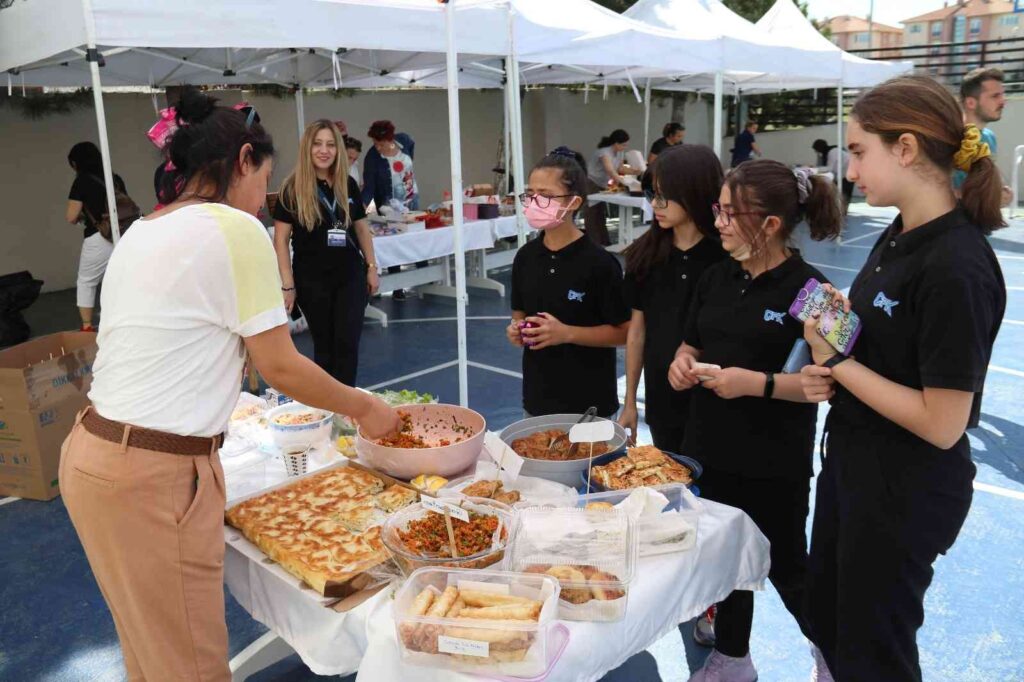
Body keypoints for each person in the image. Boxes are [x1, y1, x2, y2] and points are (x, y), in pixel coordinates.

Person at [59, 89, 400, 682]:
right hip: (152, 471)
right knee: (189, 664)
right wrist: (365, 408)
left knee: (151, 650)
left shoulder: (144, 227)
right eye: (263, 180)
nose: (263, 200)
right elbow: (281, 366)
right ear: (244, 159)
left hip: (95, 454)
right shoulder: (235, 228)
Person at [799, 75, 1006, 682]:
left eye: (860, 151)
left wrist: (839, 363)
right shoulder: (899, 235)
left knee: (875, 654)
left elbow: (942, 425)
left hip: (902, 494)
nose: (851, 168)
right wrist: (837, 342)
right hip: (854, 468)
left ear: (907, 148)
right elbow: (890, 350)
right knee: (832, 626)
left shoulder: (957, 266)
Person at [668, 160, 842, 682]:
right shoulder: (714, 276)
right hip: (709, 448)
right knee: (724, 561)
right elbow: (690, 342)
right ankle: (732, 657)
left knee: (787, 565)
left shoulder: (817, 291)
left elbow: (834, 381)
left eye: (728, 213)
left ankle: (832, 652)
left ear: (769, 224)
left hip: (773, 460)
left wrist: (755, 383)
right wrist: (681, 363)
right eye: (716, 210)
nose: (717, 222)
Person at [508, 147, 630, 418]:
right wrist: (516, 330)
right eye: (530, 194)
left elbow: (625, 332)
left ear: (573, 203)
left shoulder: (599, 264)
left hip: (589, 405)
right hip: (537, 400)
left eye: (546, 196)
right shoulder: (525, 258)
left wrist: (566, 333)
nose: (534, 202)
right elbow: (519, 315)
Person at [619, 145, 726, 453]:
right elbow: (636, 332)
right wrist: (630, 403)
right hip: (661, 398)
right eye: (652, 194)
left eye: (665, 195)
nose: (656, 204)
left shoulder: (725, 258)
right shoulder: (644, 255)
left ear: (696, 192)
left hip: (715, 401)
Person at [273, 120, 379, 387]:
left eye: (330, 144)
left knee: (348, 344)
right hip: (312, 280)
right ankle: (329, 409)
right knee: (325, 348)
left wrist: (372, 267)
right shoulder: (291, 188)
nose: (324, 150)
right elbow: (281, 240)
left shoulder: (348, 184)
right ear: (308, 148)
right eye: (318, 144)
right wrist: (288, 285)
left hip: (351, 277)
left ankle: (347, 408)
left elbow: (363, 231)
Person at [65, 141, 127, 332]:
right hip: (124, 234)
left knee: (86, 281)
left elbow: (71, 216)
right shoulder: (114, 177)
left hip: (99, 236)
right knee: (122, 277)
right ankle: (125, 318)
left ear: (77, 163)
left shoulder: (81, 181)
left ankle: (87, 326)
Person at [362, 120, 421, 298]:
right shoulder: (372, 158)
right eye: (375, 143)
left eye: (381, 143)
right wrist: (361, 208)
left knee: (417, 236)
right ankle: (397, 286)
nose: (377, 147)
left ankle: (425, 273)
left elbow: (411, 152)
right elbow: (369, 188)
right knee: (395, 242)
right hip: (389, 206)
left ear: (391, 139)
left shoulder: (405, 141)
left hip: (412, 200)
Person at [955, 67, 1011, 205]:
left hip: (979, 222)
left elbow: (985, 181)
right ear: (971, 103)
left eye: (1003, 95)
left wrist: (1000, 192)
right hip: (950, 222)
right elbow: (934, 190)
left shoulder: (989, 137)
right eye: (995, 96)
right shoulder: (949, 136)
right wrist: (986, 197)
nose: (1003, 102)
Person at [584, 129, 641, 247]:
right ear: (616, 143)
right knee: (592, 214)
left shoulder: (617, 153)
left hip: (601, 185)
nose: (625, 147)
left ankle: (604, 241)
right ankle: (593, 243)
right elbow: (610, 170)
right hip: (591, 183)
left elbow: (620, 169)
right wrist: (624, 182)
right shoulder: (604, 152)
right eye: (624, 144)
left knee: (600, 214)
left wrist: (636, 171)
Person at [812, 139, 853, 215]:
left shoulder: (832, 152)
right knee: (843, 192)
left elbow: (830, 168)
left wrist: (814, 169)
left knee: (844, 192)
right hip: (844, 172)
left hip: (847, 171)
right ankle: (841, 210)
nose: (817, 153)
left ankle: (842, 211)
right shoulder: (829, 152)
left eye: (816, 150)